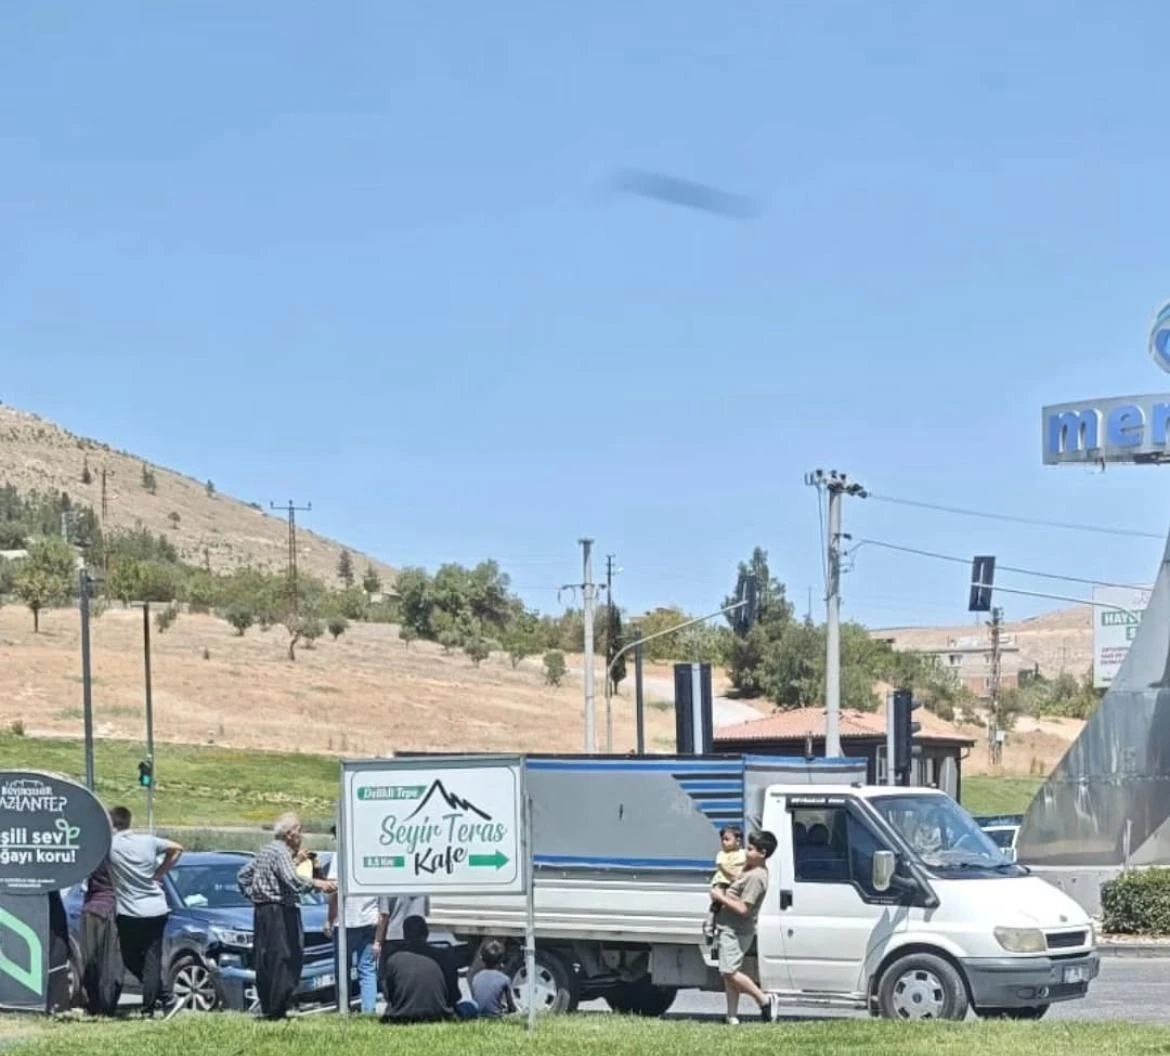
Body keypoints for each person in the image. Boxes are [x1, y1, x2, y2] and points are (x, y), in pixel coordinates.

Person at [236, 813, 336, 1020]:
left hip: (262, 911)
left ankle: (269, 1006)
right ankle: (278, 1008)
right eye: (299, 830)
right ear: (289, 834)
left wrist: (255, 895)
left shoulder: (266, 850)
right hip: (281, 911)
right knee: (287, 957)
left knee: (267, 959)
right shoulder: (282, 852)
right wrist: (318, 884)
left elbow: (243, 875)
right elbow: (292, 880)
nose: (302, 835)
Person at [106, 806, 183, 1017]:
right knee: (152, 959)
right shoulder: (148, 841)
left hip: (130, 911)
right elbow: (177, 848)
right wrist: (158, 874)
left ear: (111, 824)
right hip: (157, 908)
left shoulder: (110, 845)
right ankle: (160, 1003)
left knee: (130, 957)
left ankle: (160, 1001)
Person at [709, 829, 778, 1026]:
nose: (746, 852)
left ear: (763, 853)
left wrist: (720, 896)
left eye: (751, 849)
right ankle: (731, 1015)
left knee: (729, 972)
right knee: (730, 973)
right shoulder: (750, 869)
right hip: (728, 926)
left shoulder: (756, 877)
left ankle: (764, 1000)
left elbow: (744, 909)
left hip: (736, 929)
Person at [324, 854, 380, 1014]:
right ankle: (369, 1011)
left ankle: (343, 1008)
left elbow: (334, 889)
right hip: (370, 918)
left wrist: (330, 918)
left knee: (342, 969)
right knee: (367, 968)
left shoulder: (341, 853)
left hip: (345, 920)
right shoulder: (374, 852)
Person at [380, 915, 459, 1024]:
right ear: (427, 933)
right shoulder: (444, 957)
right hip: (440, 1014)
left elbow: (387, 994)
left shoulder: (394, 960)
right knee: (469, 1006)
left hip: (401, 1015)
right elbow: (454, 995)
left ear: (404, 935)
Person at [79, 856, 123, 1016]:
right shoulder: (117, 856)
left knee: (90, 961)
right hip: (111, 909)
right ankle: (108, 1005)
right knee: (110, 961)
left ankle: (94, 1003)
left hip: (91, 909)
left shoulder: (91, 856)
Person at [703, 827, 745, 941]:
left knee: (730, 906)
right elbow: (723, 867)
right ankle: (709, 927)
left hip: (735, 883)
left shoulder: (743, 853)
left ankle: (725, 926)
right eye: (723, 839)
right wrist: (733, 875)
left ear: (738, 841)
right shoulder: (722, 854)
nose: (723, 842)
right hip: (722, 881)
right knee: (717, 904)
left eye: (727, 839)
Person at [468, 940, 515, 1018]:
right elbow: (512, 1007)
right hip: (496, 1016)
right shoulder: (504, 979)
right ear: (502, 961)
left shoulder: (476, 977)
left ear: (481, 958)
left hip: (479, 1015)